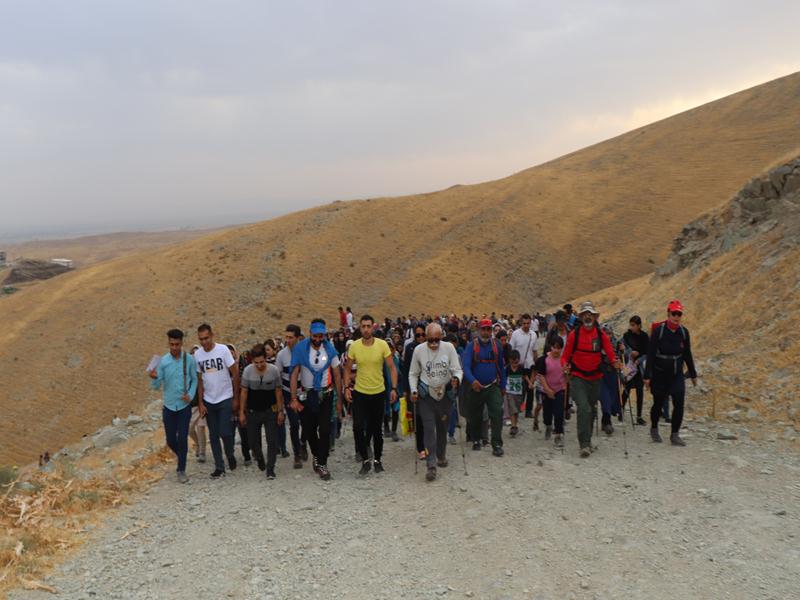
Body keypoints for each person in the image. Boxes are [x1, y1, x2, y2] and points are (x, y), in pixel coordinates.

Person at [560, 302, 619, 458]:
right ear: (581, 317)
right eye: (585, 314)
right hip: (578, 377)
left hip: (595, 378)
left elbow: (610, 353)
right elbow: (565, 356)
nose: (588, 316)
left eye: (590, 314)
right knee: (584, 408)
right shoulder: (574, 335)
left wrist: (615, 361)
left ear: (594, 317)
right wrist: (564, 366)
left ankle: (588, 439)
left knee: (592, 409)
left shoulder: (601, 335)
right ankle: (584, 444)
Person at [408, 323, 463, 482]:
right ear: (425, 337)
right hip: (426, 396)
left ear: (441, 337)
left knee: (442, 428)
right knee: (428, 429)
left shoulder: (449, 348)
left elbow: (457, 369)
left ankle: (441, 454)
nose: (433, 344)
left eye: (436, 340)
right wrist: (413, 390)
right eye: (430, 340)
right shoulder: (418, 350)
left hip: (445, 395)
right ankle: (431, 465)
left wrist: (456, 379)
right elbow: (413, 373)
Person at [345, 314, 398, 475]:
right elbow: (347, 368)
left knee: (376, 429)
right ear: (360, 328)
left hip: (378, 392)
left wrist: (394, 388)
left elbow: (392, 367)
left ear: (373, 327)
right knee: (357, 427)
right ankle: (365, 459)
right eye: (363, 326)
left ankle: (378, 460)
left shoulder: (382, 345)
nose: (366, 329)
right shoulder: (354, 346)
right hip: (360, 393)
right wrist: (346, 387)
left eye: (369, 326)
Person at [290, 319, 343, 480]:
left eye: (321, 336)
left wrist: (339, 400)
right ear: (310, 333)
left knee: (325, 430)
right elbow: (294, 374)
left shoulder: (330, 349)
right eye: (315, 336)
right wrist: (293, 398)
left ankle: (322, 464)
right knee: (309, 430)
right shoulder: (300, 349)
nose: (318, 339)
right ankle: (316, 454)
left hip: (326, 395)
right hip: (307, 395)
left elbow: (336, 374)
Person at [645, 300, 698, 446]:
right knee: (658, 403)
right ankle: (654, 428)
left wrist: (693, 373)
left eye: (679, 314)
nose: (676, 317)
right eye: (674, 313)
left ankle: (675, 434)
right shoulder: (659, 331)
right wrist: (647, 376)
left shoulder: (683, 332)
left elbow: (687, 354)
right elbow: (650, 354)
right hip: (660, 374)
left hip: (677, 375)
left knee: (679, 404)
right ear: (668, 314)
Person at [149, 329, 198, 483]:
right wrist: (154, 378)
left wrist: (190, 394)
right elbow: (156, 386)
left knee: (182, 438)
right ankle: (182, 455)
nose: (175, 347)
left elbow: (195, 379)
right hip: (169, 407)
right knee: (171, 440)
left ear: (182, 343)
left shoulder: (189, 360)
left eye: (177, 344)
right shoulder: (163, 362)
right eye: (172, 344)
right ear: (168, 343)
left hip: (184, 407)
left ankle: (181, 469)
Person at [195, 324, 240, 478]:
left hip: (225, 397)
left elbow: (235, 373)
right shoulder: (198, 355)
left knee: (225, 432)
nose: (204, 342)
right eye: (201, 339)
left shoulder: (223, 350)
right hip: (209, 400)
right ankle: (219, 467)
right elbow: (200, 380)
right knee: (213, 435)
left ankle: (230, 454)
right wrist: (201, 403)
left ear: (212, 335)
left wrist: (236, 397)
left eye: (206, 338)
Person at [462, 319, 507, 457]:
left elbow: (501, 367)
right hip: (476, 387)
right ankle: (476, 439)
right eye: (483, 329)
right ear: (479, 330)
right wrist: (473, 381)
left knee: (497, 413)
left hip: (492, 385)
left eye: (488, 329)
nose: (486, 332)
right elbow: (466, 367)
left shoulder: (497, 345)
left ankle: (497, 444)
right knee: (475, 415)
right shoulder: (471, 346)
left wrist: (503, 385)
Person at [239, 344, 283, 479]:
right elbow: (244, 392)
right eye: (256, 362)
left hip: (270, 411)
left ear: (266, 358)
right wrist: (241, 412)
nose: (259, 365)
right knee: (252, 441)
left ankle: (270, 469)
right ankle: (259, 458)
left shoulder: (274, 371)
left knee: (272, 441)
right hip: (253, 411)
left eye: (262, 362)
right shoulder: (247, 371)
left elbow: (278, 391)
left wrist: (280, 411)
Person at [275, 324, 307, 469]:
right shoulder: (281, 355)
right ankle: (297, 454)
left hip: (304, 392)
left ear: (298, 338)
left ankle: (303, 443)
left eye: (291, 337)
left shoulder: (306, 352)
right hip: (288, 393)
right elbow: (278, 377)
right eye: (286, 337)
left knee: (307, 423)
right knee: (294, 424)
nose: (287, 340)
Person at [534, 337, 566, 447]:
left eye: (559, 348)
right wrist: (547, 390)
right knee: (547, 414)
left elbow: (568, 376)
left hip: (559, 390)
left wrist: (568, 374)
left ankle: (558, 435)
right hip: (546, 390)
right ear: (551, 347)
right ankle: (548, 426)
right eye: (554, 347)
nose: (556, 350)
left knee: (559, 413)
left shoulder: (564, 360)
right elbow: (541, 376)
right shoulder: (544, 360)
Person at [403, 323, 428, 459]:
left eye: (423, 334)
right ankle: (420, 447)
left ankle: (428, 443)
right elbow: (406, 369)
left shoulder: (431, 346)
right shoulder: (410, 348)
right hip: (415, 387)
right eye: (418, 335)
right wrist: (407, 389)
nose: (421, 337)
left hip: (429, 387)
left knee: (428, 417)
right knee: (418, 418)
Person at [510, 314, 538, 422]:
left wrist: (536, 365)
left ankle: (528, 411)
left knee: (530, 389)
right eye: (524, 323)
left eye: (528, 323)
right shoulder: (515, 334)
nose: (526, 325)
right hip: (518, 365)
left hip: (529, 365)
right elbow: (511, 350)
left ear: (530, 323)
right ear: (521, 323)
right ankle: (516, 409)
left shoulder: (533, 335)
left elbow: (534, 351)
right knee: (519, 388)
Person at [622, 315, 649, 425]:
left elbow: (647, 352)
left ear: (639, 325)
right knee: (627, 389)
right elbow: (623, 348)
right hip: (629, 367)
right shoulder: (626, 336)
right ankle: (621, 410)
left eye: (633, 325)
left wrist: (639, 359)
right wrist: (630, 353)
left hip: (639, 368)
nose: (631, 327)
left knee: (639, 391)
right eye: (631, 325)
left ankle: (639, 416)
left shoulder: (644, 337)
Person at [187, 345, 207, 463]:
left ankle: (202, 452)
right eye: (192, 353)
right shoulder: (186, 371)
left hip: (202, 404)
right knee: (189, 429)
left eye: (196, 353)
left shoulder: (204, 369)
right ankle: (198, 444)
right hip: (191, 405)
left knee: (200, 428)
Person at [504, 350, 524, 437]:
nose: (515, 365)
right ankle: (513, 426)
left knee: (516, 410)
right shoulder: (507, 369)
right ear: (509, 361)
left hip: (519, 393)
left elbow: (525, 376)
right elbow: (504, 378)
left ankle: (515, 425)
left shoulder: (521, 368)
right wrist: (503, 387)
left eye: (516, 362)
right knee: (512, 409)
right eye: (513, 362)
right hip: (510, 392)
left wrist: (530, 383)